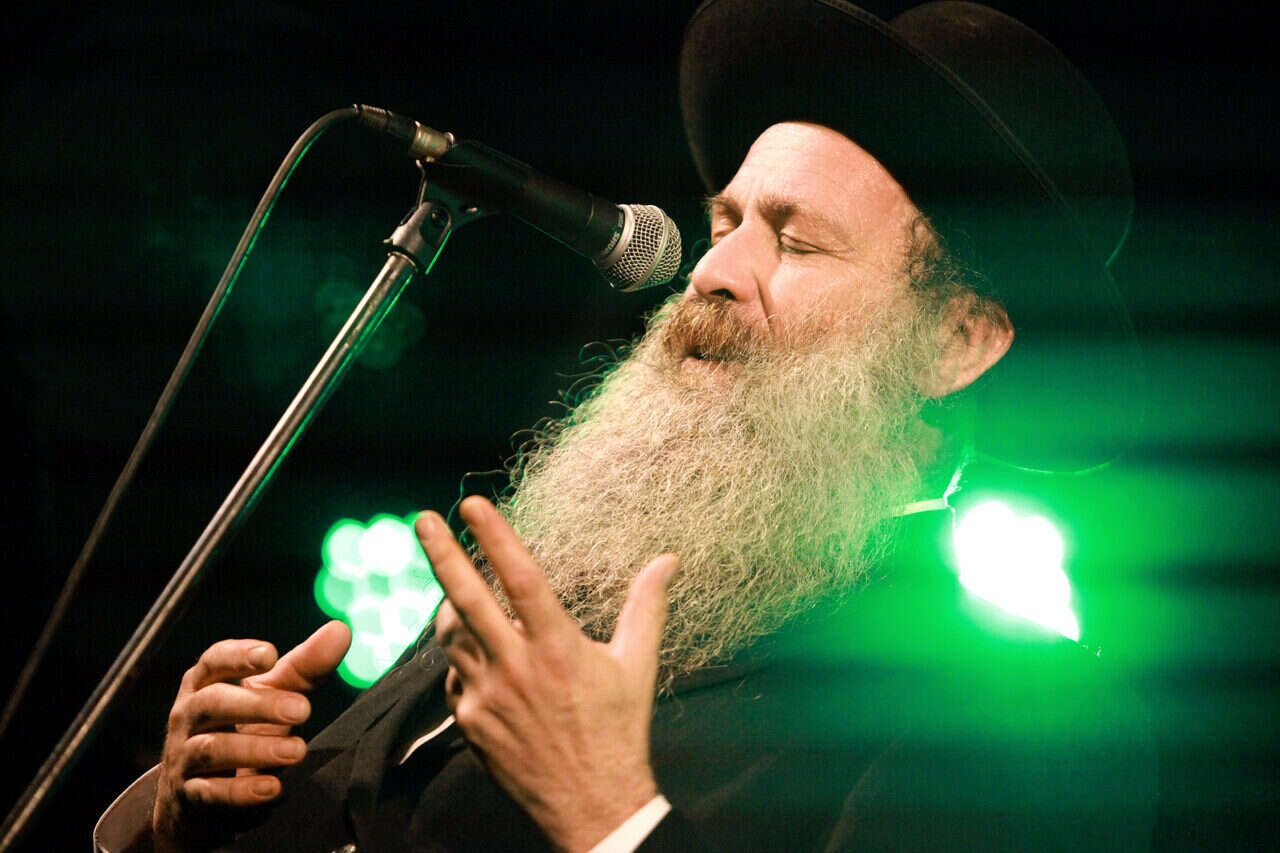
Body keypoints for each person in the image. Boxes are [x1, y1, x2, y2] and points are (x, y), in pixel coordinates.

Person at [95, 1, 1156, 850]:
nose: (712, 271)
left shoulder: (1033, 720)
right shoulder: (574, 565)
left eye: (796, 243)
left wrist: (611, 817)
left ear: (954, 342)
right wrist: (186, 826)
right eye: (724, 222)